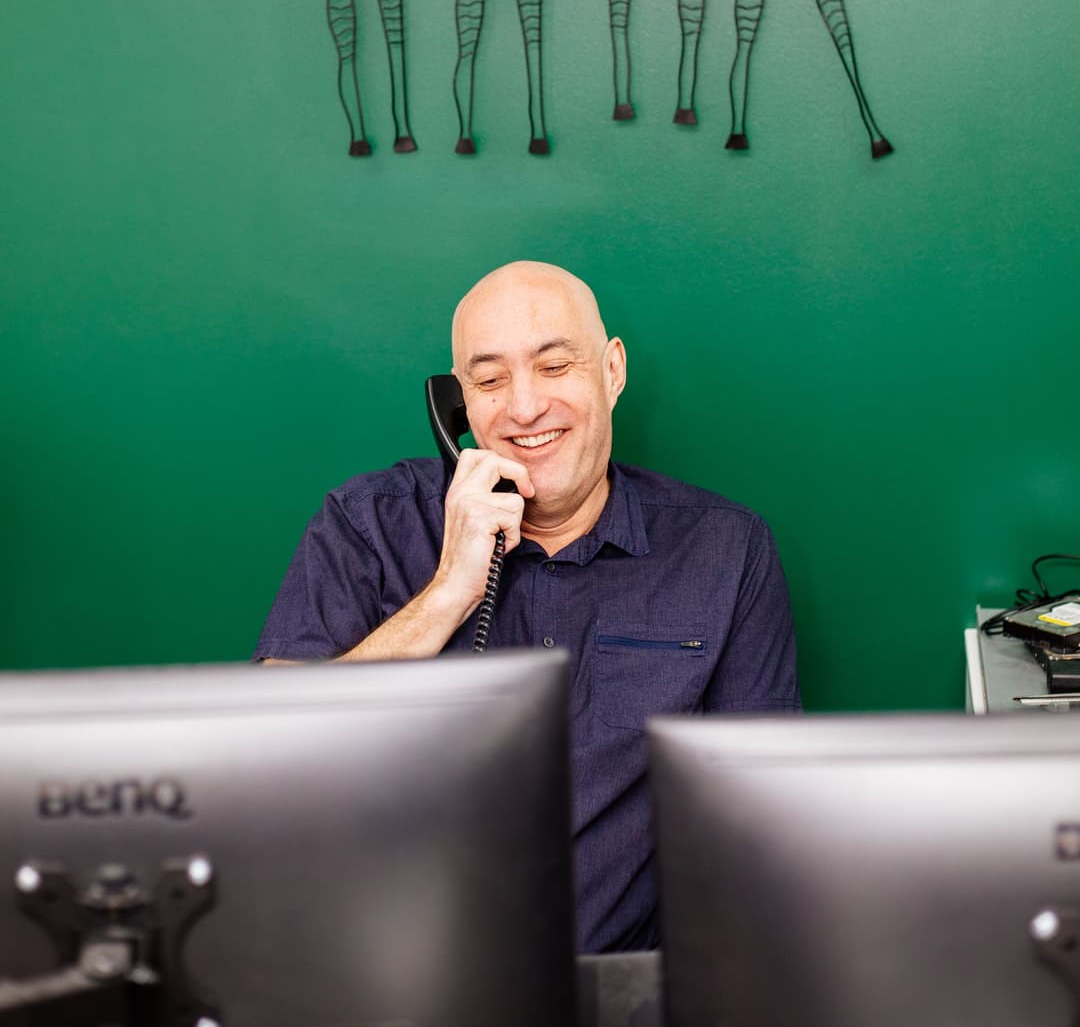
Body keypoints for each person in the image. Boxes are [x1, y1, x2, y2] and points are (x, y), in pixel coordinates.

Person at [255, 260, 800, 952]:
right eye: (488, 380)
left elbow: (756, 825)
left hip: (620, 999)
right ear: (456, 407)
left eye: (553, 366)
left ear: (612, 371)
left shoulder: (726, 550)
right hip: (392, 981)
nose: (522, 408)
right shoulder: (367, 524)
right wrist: (450, 589)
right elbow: (273, 763)